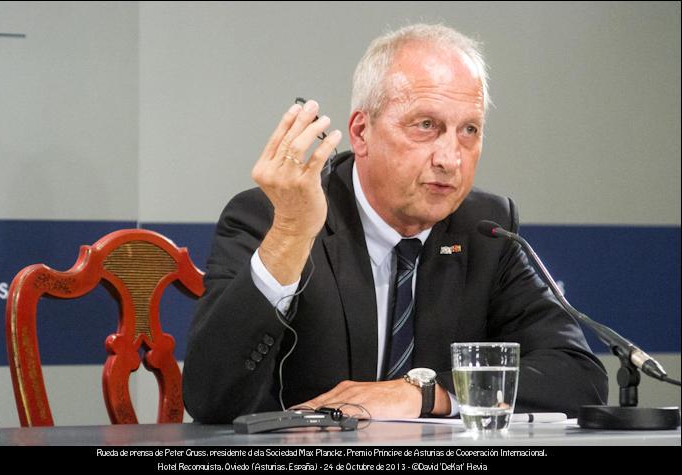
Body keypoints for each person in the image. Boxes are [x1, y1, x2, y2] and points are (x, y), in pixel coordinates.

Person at [183, 23, 608, 423]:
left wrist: (423, 394)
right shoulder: (275, 216)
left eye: (470, 130)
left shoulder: (487, 229)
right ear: (362, 132)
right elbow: (211, 397)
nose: (449, 158)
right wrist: (291, 235)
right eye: (427, 126)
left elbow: (578, 377)